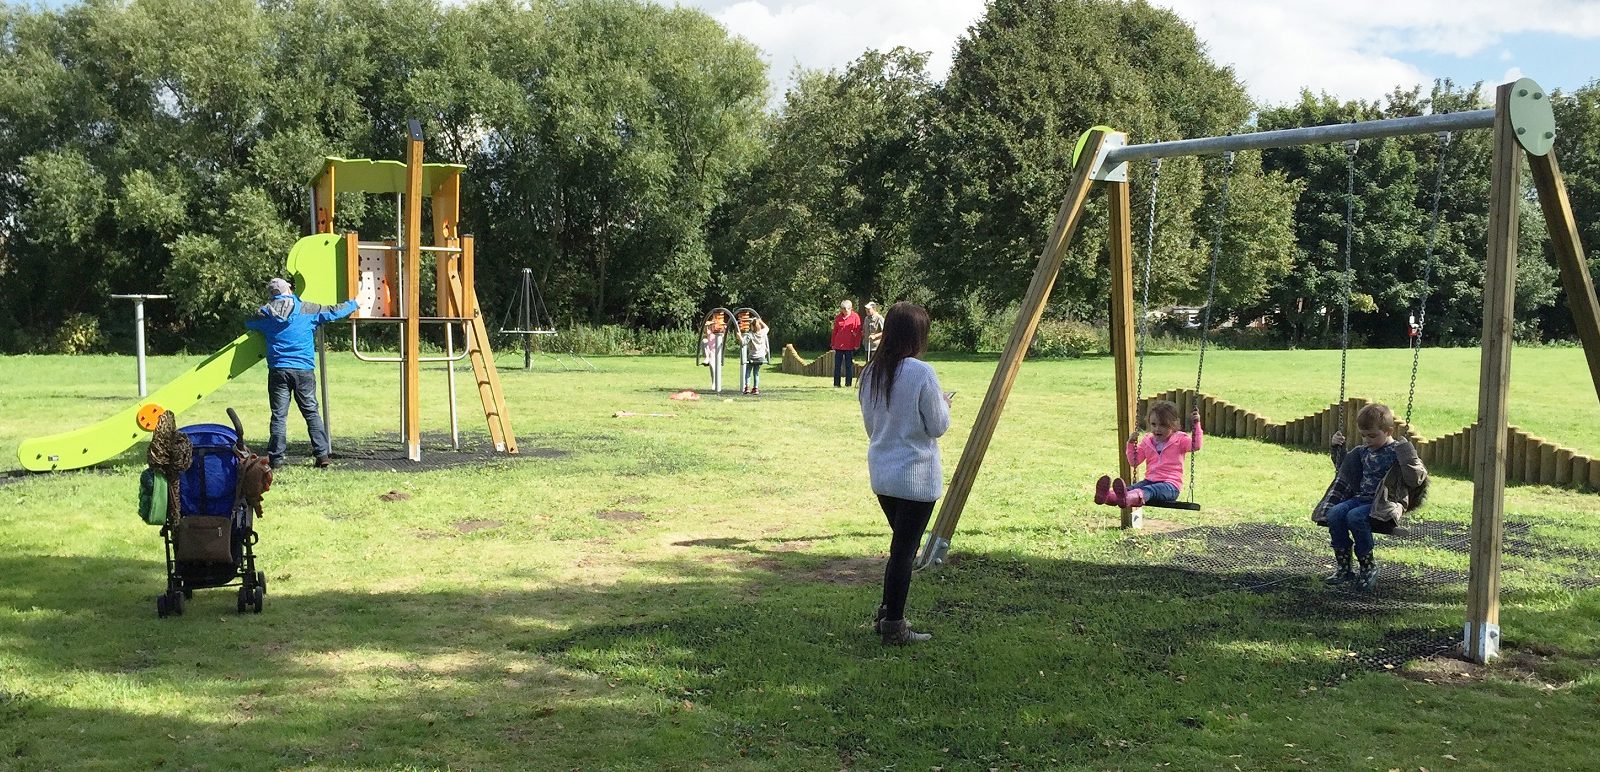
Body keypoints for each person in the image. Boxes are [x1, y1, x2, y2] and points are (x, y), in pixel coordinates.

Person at [859, 302, 950, 645]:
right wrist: (945, 404)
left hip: (883, 474)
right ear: (917, 336)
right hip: (915, 477)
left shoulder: (871, 372)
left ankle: (887, 612)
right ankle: (894, 625)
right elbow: (938, 426)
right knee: (903, 553)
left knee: (901, 546)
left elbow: (872, 424)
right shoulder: (921, 372)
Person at [1314, 403, 1429, 591]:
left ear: (1389, 431)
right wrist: (1337, 447)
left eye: (1372, 436)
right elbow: (1344, 468)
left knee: (1355, 517)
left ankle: (1368, 566)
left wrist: (1407, 454)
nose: (1367, 440)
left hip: (1384, 503)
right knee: (1334, 513)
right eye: (1363, 435)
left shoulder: (1397, 452)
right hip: (1361, 498)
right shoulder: (1362, 451)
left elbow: (1416, 478)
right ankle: (1344, 567)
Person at [246, 278, 357, 469]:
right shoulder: (307, 309)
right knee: (311, 412)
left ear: (271, 294)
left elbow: (248, 323)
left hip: (278, 370)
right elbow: (333, 312)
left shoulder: (264, 314)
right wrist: (356, 302)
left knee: (279, 416)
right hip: (304, 370)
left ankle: (276, 459)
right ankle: (322, 455)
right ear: (289, 289)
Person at [1095, 400, 1202, 508]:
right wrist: (1131, 444)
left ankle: (1127, 498)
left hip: (1170, 486)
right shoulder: (1147, 441)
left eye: (1163, 425)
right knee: (1131, 489)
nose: (1157, 429)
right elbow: (1134, 461)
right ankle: (1108, 496)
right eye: (1154, 424)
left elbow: (1196, 445)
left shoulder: (1180, 440)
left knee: (1147, 490)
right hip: (1149, 481)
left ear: (1174, 424)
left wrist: (1196, 424)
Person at [831, 299, 863, 388]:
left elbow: (858, 332)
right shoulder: (838, 317)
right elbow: (835, 331)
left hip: (849, 345)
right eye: (842, 309)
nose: (844, 311)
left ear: (850, 309)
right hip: (838, 345)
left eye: (846, 309)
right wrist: (832, 343)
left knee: (849, 365)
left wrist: (857, 344)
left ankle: (848, 384)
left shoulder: (855, 317)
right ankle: (836, 384)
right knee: (837, 365)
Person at [741, 318, 770, 395]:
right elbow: (767, 328)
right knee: (756, 372)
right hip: (761, 357)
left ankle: (747, 387)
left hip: (752, 357)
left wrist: (739, 336)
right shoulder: (763, 332)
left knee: (748, 371)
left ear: (752, 326)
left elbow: (743, 343)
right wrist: (761, 321)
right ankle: (756, 388)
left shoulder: (750, 335)